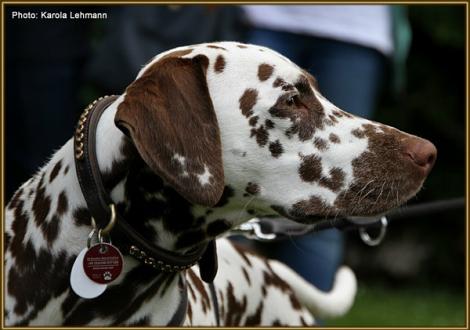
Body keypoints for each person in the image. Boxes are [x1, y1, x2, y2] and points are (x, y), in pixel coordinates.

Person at [240, 4, 411, 292]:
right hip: (262, 17)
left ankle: (306, 320)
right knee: (227, 187)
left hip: (356, 28)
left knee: (330, 208)